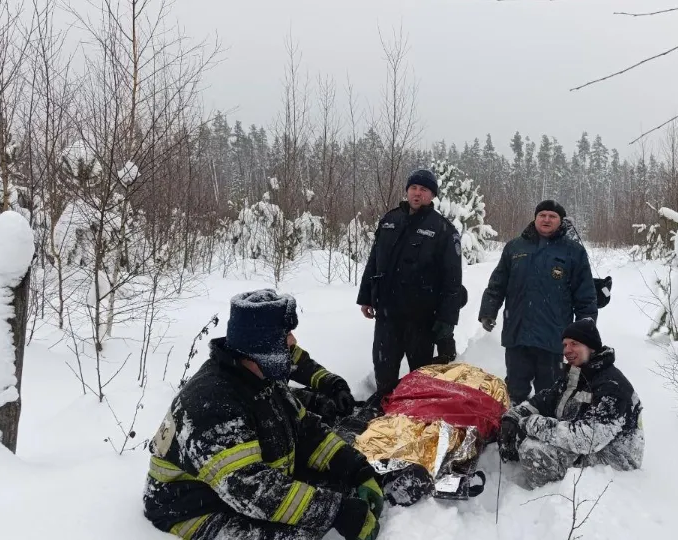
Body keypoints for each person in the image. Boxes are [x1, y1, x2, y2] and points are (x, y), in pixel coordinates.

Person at [143, 289, 384, 540]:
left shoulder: (261, 375)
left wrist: (356, 469)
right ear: (262, 344)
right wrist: (337, 512)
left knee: (338, 489)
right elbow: (252, 489)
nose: (293, 341)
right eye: (285, 335)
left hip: (241, 486)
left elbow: (306, 431)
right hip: (192, 509)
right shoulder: (212, 404)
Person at [498, 319, 644, 488]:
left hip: (613, 460)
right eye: (565, 345)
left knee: (534, 450)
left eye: (574, 344)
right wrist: (514, 417)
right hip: (587, 445)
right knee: (520, 434)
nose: (567, 350)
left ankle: (548, 496)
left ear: (591, 347)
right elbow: (546, 400)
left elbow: (588, 439)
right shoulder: (577, 374)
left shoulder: (613, 387)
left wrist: (531, 424)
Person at [357, 169, 463, 400]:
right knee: (384, 371)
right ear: (407, 191)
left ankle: (414, 418)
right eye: (413, 188)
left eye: (423, 190)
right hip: (387, 314)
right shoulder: (390, 220)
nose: (417, 193)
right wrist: (365, 297)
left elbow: (453, 280)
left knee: (420, 376)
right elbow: (374, 260)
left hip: (421, 318)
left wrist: (447, 324)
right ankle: (383, 414)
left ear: (432, 195)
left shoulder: (443, 230)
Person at [478, 200, 598, 404]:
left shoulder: (573, 251)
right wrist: (488, 311)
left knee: (549, 393)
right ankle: (513, 428)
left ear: (561, 221)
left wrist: (586, 326)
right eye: (542, 215)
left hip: (553, 337)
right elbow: (497, 283)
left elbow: (585, 294)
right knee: (514, 391)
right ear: (535, 218)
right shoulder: (515, 247)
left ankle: (544, 431)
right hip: (517, 334)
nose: (546, 219)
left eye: (552, 216)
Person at [287, 334, 356, 424]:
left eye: (287, 331)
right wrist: (308, 400)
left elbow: (306, 368)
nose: (293, 340)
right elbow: (270, 395)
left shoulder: (280, 347)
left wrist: (335, 385)